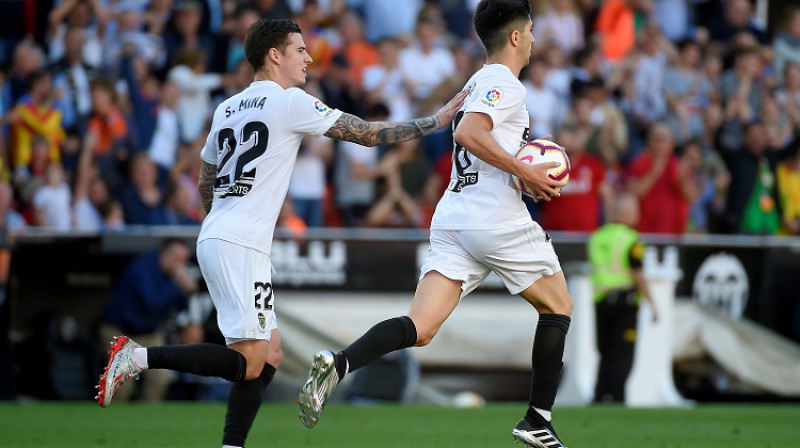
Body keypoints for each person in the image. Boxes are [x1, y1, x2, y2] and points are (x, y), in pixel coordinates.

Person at [96, 16, 467, 448]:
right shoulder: (290, 101)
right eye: (300, 50)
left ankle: (232, 444)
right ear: (274, 55)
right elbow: (366, 134)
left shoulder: (227, 108)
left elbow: (205, 180)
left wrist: (222, 222)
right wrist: (435, 121)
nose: (309, 58)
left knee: (269, 354)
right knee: (249, 361)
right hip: (240, 243)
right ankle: (137, 356)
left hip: (221, 233)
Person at [297, 2, 572, 447]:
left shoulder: (478, 80)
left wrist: (520, 170)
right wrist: (525, 172)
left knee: (421, 327)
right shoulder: (505, 83)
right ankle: (538, 420)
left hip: (455, 216)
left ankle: (340, 363)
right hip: (492, 216)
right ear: (516, 37)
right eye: (531, 31)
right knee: (559, 305)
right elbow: (468, 134)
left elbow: (474, 136)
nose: (535, 39)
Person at [98, 238, 198, 402]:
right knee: (123, 384)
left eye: (183, 260)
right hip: (120, 332)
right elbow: (152, 302)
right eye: (176, 257)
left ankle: (147, 415)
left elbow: (180, 307)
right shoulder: (142, 268)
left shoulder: (171, 276)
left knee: (162, 377)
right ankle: (114, 417)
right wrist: (177, 285)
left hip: (149, 334)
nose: (179, 264)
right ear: (163, 253)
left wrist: (187, 291)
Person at [588, 194, 657, 403]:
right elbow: (638, 274)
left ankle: (600, 397)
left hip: (601, 299)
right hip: (625, 302)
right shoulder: (632, 240)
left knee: (605, 352)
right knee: (624, 354)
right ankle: (618, 398)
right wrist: (653, 304)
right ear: (628, 214)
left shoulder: (597, 236)